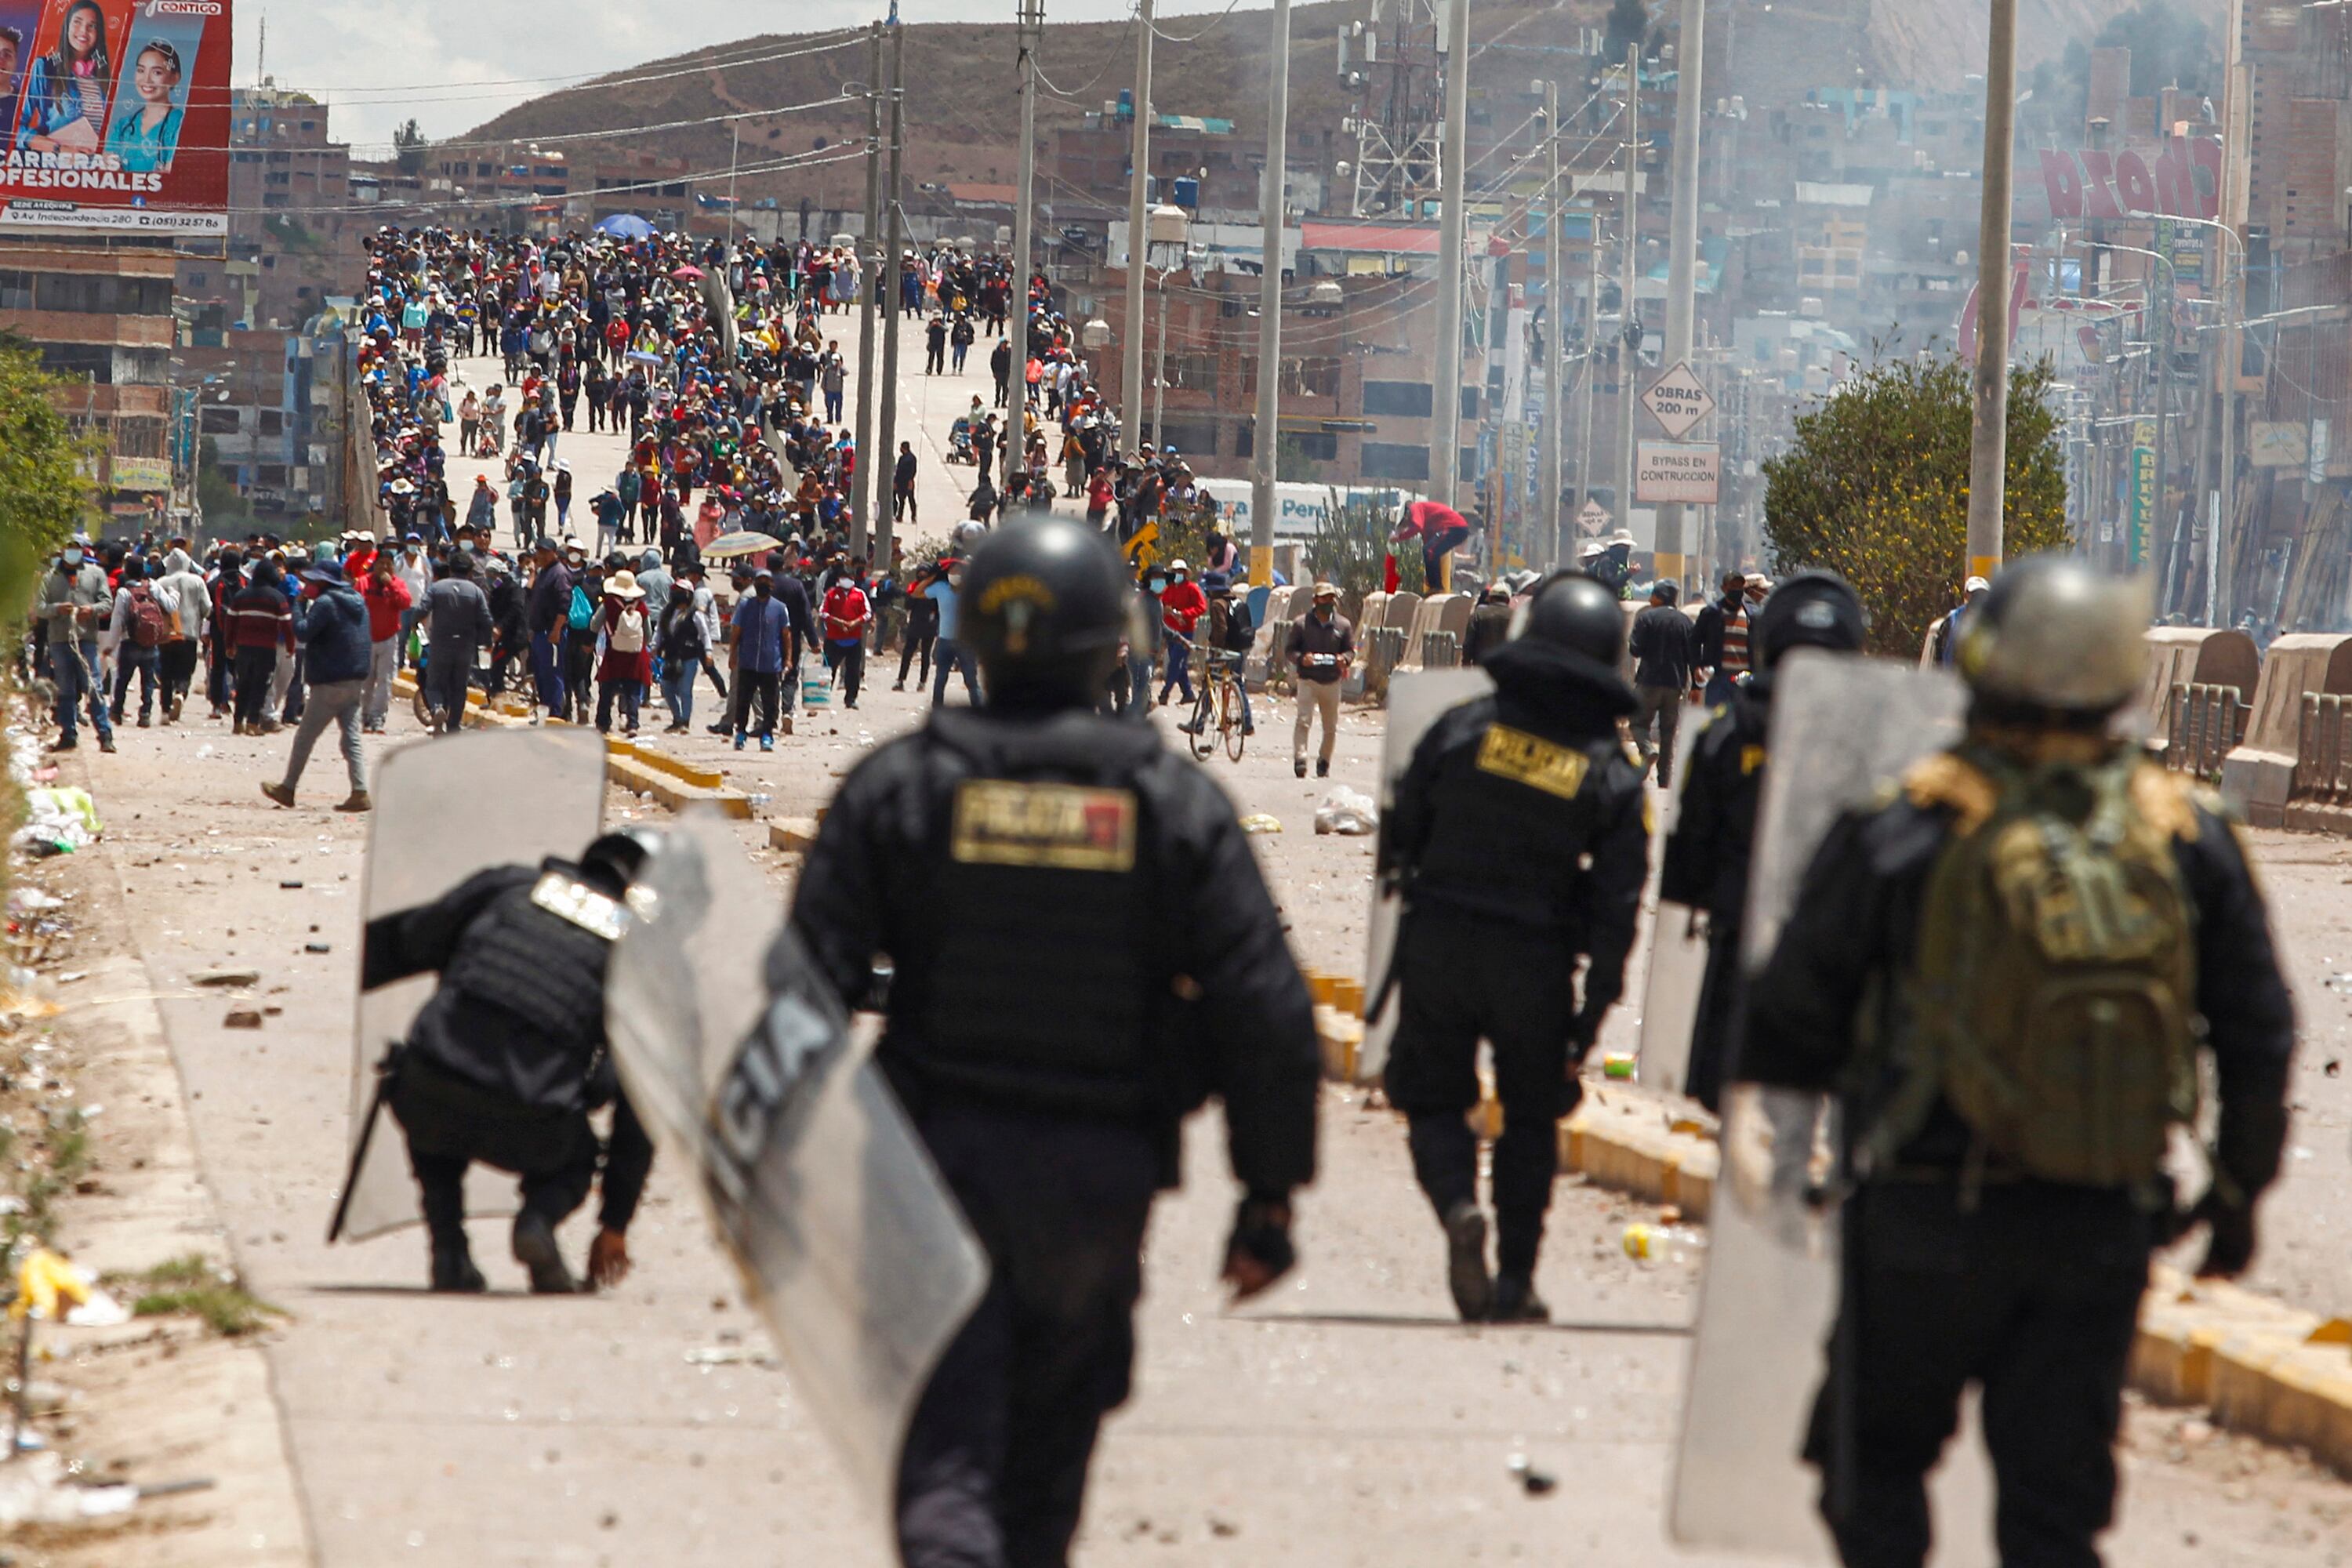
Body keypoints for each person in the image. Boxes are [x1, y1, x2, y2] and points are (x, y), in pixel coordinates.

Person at [1737, 555, 2294, 1568]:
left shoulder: (1907, 822)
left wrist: (1793, 1156)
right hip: (2097, 1219)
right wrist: (2237, 1192)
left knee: (1877, 1467)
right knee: (2054, 1509)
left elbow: (1787, 1019)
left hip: (1920, 1211)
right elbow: (2258, 1030)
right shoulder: (2187, 834)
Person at [784, 516, 1318, 1566]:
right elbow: (1265, 1006)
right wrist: (1267, 1198)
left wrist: (785, 1172)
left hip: (927, 1170)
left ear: (973, 636)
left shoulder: (901, 788)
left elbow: (803, 992)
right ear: (1112, 642)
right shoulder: (1169, 803)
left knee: (946, 1458)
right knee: (1045, 1472)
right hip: (1097, 1183)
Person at [1377, 572, 1646, 1322]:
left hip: (1439, 941)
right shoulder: (1610, 773)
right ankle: (1516, 1283)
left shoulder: (1463, 727)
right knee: (1530, 1119)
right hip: (1535, 961)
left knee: (1430, 1096)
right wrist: (1589, 1021)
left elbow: (1401, 834)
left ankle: (1461, 1206)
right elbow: (1620, 909)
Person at [361, 831, 658, 1294]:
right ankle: (537, 1223)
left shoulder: (507, 888)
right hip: (532, 1128)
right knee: (580, 1156)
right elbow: (637, 1108)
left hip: (427, 1099)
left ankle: (449, 1251)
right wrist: (615, 1222)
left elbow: (411, 938)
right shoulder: (635, 959)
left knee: (433, 1085)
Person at [1658, 570, 1864, 1112]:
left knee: (1723, 1093)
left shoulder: (1726, 732)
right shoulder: (1862, 743)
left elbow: (1688, 854)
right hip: (1830, 950)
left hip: (1737, 934)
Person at [261, 558, 373, 813]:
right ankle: (359, 790)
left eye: (310, 582)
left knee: (305, 738)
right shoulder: (358, 602)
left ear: (322, 583)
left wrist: (299, 605)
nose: (306, 585)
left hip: (329, 681)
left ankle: (288, 788)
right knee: (351, 739)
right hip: (355, 679)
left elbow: (302, 631)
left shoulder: (325, 603)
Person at [1628, 579, 1696, 789]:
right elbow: (1693, 656)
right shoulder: (1685, 622)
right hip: (1675, 685)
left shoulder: (1647, 618)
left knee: (1638, 724)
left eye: (1653, 595)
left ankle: (1647, 750)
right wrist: (1695, 687)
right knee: (1668, 733)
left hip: (1648, 681)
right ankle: (1664, 779)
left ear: (1659, 597)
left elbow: (1635, 649)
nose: (1650, 599)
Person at [1285, 582, 1353, 779]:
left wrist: (1345, 659)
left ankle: (1324, 761)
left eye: (1331, 598)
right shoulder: (1301, 624)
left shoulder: (1343, 625)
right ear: (1315, 600)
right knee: (1303, 721)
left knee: (1330, 727)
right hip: (1308, 680)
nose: (1328, 602)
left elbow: (1350, 650)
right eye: (1324, 598)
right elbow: (1290, 650)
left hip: (1332, 681)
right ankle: (1300, 759)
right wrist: (1301, 659)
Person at [223, 556, 295, 737]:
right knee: (260, 686)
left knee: (243, 684)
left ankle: (238, 722)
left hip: (244, 648)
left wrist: (229, 645)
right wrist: (290, 646)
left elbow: (230, 622)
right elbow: (287, 624)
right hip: (266, 649)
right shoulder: (277, 598)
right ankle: (253, 723)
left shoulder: (241, 596)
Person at [422, 554, 493, 735]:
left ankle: (437, 708)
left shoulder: (437, 588)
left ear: (450, 569)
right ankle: (454, 725)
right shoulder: (476, 591)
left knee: (435, 683)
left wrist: (415, 627)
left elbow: (422, 609)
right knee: (459, 687)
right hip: (465, 646)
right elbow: (486, 619)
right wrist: (486, 643)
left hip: (440, 644)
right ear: (470, 572)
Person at [731, 569, 792, 751]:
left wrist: (788, 659)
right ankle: (741, 733)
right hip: (748, 661)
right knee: (743, 700)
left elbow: (786, 635)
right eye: (760, 581)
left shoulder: (780, 608)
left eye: (766, 581)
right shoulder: (745, 606)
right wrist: (732, 654)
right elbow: (736, 632)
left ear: (772, 585)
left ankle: (767, 735)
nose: (763, 584)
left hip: (770, 663)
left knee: (771, 703)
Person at [103, 38, 183, 173]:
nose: (146, 80)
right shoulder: (124, 125)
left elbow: (172, 174)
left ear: (175, 78)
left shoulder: (180, 123)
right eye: (141, 70)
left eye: (157, 72)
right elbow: (108, 167)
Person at [359, 552, 413, 735]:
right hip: (366, 640)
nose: (384, 568)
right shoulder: (364, 583)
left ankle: (378, 718)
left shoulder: (398, 584)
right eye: (381, 564)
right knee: (366, 682)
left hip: (389, 639)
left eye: (388, 564)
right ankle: (365, 717)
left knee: (385, 681)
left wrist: (390, 585)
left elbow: (406, 603)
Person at [594, 569, 652, 734]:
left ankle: (603, 722)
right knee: (633, 690)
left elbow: (594, 625)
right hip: (636, 655)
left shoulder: (609, 603)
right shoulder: (641, 605)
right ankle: (632, 724)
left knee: (607, 688)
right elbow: (648, 633)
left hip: (614, 652)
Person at [1693, 569, 1754, 707]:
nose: (1737, 590)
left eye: (1740, 587)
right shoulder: (1712, 613)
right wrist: (1696, 667)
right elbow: (1695, 642)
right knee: (1716, 720)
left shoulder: (1752, 615)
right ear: (1723, 589)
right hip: (1718, 678)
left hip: (1744, 677)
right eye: (1733, 587)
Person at [655, 577, 707, 733]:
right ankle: (676, 718)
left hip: (689, 656)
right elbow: (659, 632)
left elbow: (704, 634)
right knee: (667, 687)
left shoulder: (695, 614)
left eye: (680, 592)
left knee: (685, 690)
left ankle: (685, 721)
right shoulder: (667, 612)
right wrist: (654, 647)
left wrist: (709, 653)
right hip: (671, 656)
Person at [1155, 560, 1205, 706]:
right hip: (1171, 630)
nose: (1178, 574)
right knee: (1179, 664)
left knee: (1175, 662)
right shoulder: (1168, 588)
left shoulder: (1192, 588)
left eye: (1181, 572)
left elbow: (1201, 607)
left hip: (1186, 631)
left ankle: (1165, 692)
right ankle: (1188, 693)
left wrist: (1184, 614)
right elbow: (1162, 604)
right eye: (1176, 572)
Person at [820, 566, 871, 709]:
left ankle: (851, 699)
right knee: (828, 670)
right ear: (839, 579)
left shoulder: (860, 594)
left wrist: (855, 623)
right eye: (844, 577)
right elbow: (823, 613)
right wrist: (838, 622)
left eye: (849, 577)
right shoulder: (831, 594)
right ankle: (823, 698)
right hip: (833, 639)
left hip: (854, 639)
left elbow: (867, 613)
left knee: (853, 671)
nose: (847, 580)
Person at [1923, 574, 1991, 667]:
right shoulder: (1953, 618)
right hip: (1951, 678)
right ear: (1966, 595)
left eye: (1982, 594)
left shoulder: (1994, 619)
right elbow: (1940, 650)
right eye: (1974, 594)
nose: (1978, 597)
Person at [894, 441, 920, 525]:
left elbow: (913, 471)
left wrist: (910, 481)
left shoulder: (911, 458)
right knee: (901, 500)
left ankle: (913, 516)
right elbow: (898, 471)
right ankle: (900, 516)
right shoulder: (902, 458)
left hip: (907, 482)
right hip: (901, 482)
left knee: (910, 499)